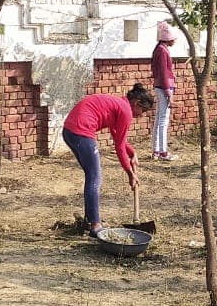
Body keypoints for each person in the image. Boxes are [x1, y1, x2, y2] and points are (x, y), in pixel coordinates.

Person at [63, 84, 155, 240]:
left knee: (91, 176)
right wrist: (130, 174)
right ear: (136, 103)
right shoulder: (125, 111)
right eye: (143, 110)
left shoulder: (119, 105)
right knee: (95, 177)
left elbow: (118, 137)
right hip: (82, 131)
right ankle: (95, 225)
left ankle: (90, 220)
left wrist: (132, 152)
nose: (141, 115)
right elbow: (119, 148)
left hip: (69, 131)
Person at [151, 21, 179, 161]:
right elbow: (163, 72)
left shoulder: (159, 49)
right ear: (168, 38)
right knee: (163, 119)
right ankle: (163, 152)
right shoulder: (162, 51)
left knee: (159, 118)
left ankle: (156, 150)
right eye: (173, 38)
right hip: (164, 87)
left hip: (160, 86)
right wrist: (168, 92)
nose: (175, 40)